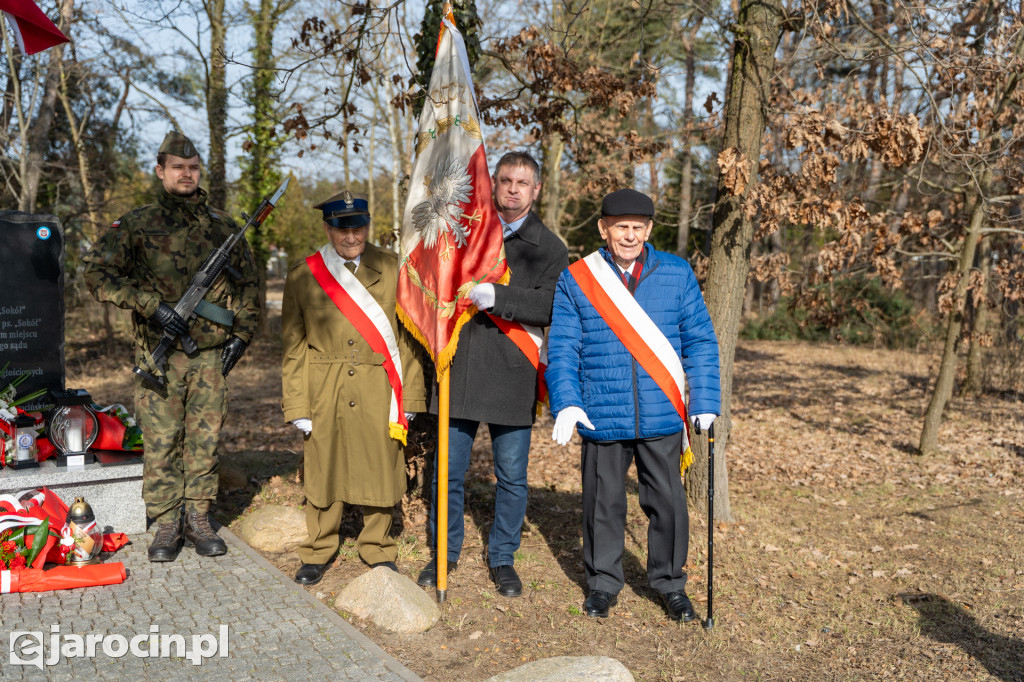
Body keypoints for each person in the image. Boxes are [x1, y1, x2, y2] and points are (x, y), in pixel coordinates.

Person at [84, 130, 260, 563]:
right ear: (160, 171)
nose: (187, 173)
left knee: (205, 440)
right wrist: (151, 306)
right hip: (159, 356)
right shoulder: (137, 224)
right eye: (178, 167)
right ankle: (166, 523)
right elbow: (96, 273)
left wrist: (242, 335)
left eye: (193, 167)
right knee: (162, 441)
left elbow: (250, 287)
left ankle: (198, 518)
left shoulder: (223, 226)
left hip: (209, 358)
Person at [545, 188, 721, 621]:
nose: (629, 235)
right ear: (603, 228)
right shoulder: (577, 277)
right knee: (602, 503)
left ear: (649, 229)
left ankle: (670, 583)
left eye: (638, 228)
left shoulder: (676, 273)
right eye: (621, 227)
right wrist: (566, 401)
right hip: (602, 413)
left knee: (668, 504)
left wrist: (706, 400)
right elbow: (564, 347)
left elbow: (700, 341)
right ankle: (603, 583)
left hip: (661, 409)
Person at [417, 151, 568, 597]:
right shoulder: (464, 234)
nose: (514, 189)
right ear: (494, 185)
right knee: (448, 471)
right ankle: (443, 552)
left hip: (512, 370)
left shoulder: (552, 247)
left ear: (536, 189)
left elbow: (551, 306)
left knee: (512, 476)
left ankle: (502, 557)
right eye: (505, 180)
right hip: (461, 365)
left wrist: (497, 295)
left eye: (523, 182)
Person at [281, 190, 426, 586]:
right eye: (342, 229)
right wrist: (297, 404)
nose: (351, 237)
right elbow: (293, 346)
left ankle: (377, 548)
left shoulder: (393, 268)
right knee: (324, 465)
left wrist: (409, 396)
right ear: (328, 229)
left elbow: (410, 338)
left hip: (379, 383)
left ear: (368, 226)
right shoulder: (302, 275)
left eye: (358, 228)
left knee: (380, 463)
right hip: (322, 386)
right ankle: (319, 549)